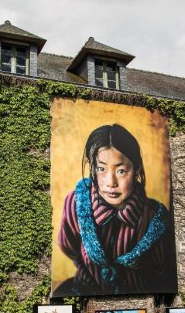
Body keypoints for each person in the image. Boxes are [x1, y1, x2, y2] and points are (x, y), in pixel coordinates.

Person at [55, 124, 174, 296]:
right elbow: (69, 246)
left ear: (137, 169)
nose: (111, 182)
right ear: (92, 167)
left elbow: (163, 271)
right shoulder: (76, 203)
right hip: (85, 292)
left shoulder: (155, 219)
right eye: (101, 169)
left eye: (121, 171)